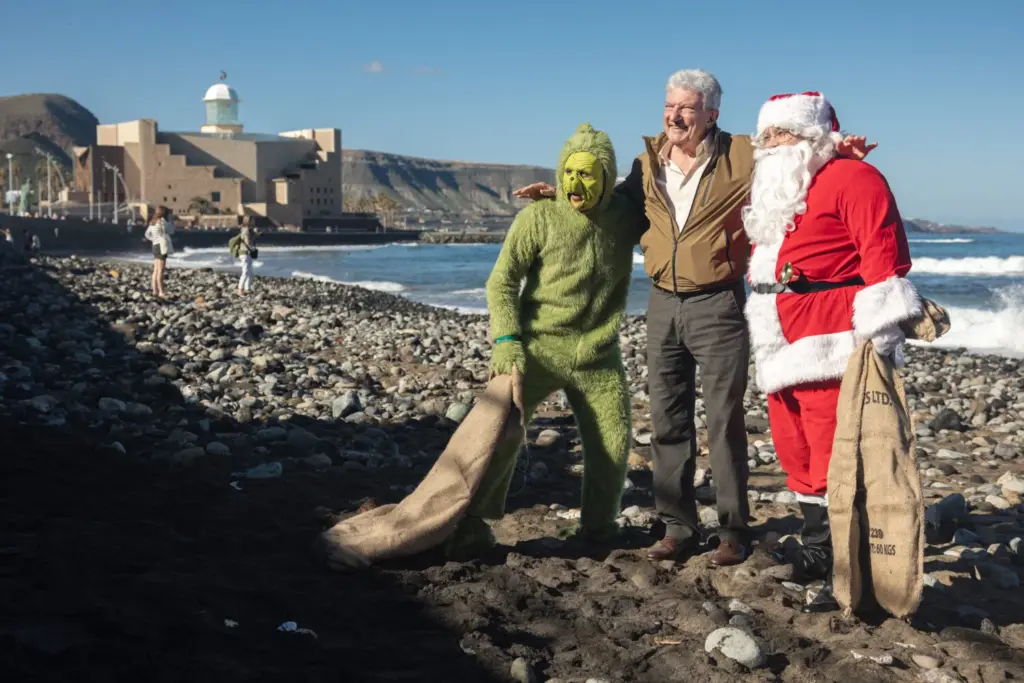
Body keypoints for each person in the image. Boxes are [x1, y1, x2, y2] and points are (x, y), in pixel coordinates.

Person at [515, 70, 875, 566]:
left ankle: (731, 530)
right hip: (662, 301)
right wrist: (558, 195)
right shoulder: (646, 164)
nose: (675, 115)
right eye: (669, 106)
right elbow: (606, 200)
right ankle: (677, 527)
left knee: (725, 421)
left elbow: (798, 161)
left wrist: (839, 152)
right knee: (667, 419)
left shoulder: (744, 154)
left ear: (711, 114)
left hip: (719, 303)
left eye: (687, 107)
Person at [741, 91, 918, 612]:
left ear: (814, 137)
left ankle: (852, 567)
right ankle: (820, 549)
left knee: (834, 452)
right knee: (794, 450)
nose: (770, 145)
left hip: (833, 339)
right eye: (766, 136)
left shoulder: (855, 178)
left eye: (781, 135)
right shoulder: (779, 191)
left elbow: (885, 264)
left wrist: (876, 346)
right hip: (779, 337)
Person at [444, 123, 645, 559]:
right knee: (500, 434)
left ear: (607, 178)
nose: (576, 183)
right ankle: (472, 524)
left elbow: (665, 196)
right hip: (537, 348)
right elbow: (501, 282)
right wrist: (506, 339)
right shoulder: (537, 217)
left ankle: (599, 528)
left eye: (588, 174)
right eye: (569, 173)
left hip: (598, 356)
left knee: (613, 442)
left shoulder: (628, 216)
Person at [144, 206, 175, 298]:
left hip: (155, 246)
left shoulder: (152, 221)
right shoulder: (162, 221)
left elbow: (146, 234)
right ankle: (161, 292)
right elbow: (171, 231)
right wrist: (170, 222)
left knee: (156, 270)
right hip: (162, 246)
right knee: (161, 270)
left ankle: (155, 290)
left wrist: (154, 239)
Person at [237, 216, 257, 295]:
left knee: (249, 272)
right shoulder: (245, 230)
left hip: (247, 253)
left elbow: (251, 240)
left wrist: (255, 234)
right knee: (245, 271)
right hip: (244, 253)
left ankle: (247, 288)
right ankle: (240, 289)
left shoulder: (249, 230)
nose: (254, 222)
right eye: (252, 220)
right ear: (248, 221)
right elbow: (247, 242)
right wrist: (252, 249)